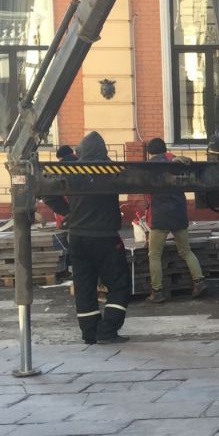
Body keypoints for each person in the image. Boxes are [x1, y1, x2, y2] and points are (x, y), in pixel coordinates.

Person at [69, 132, 131, 344]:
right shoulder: (109, 170)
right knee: (119, 284)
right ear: (103, 151)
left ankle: (90, 332)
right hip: (104, 237)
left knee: (84, 286)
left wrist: (67, 212)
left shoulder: (72, 171)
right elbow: (137, 177)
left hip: (77, 237)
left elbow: (48, 193)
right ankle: (108, 329)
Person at [142, 137, 206, 303]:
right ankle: (199, 281)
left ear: (150, 152)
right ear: (165, 149)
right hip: (178, 212)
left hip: (160, 215)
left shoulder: (149, 167)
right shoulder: (177, 162)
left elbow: (147, 194)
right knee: (186, 250)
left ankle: (157, 291)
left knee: (154, 254)